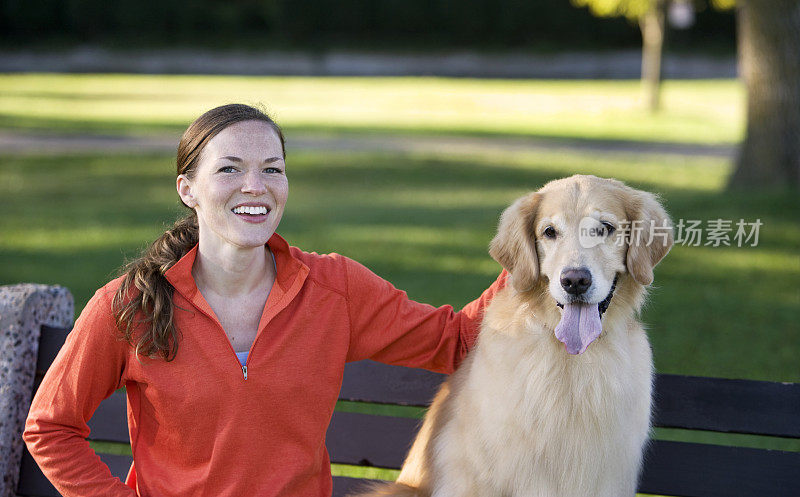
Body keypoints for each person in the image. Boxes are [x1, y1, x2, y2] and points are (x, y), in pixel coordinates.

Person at [23, 104, 507, 497]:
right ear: (187, 190)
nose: (255, 186)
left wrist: (541, 249)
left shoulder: (334, 288)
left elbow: (457, 340)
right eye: (230, 168)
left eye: (271, 169)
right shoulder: (133, 304)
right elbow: (50, 426)